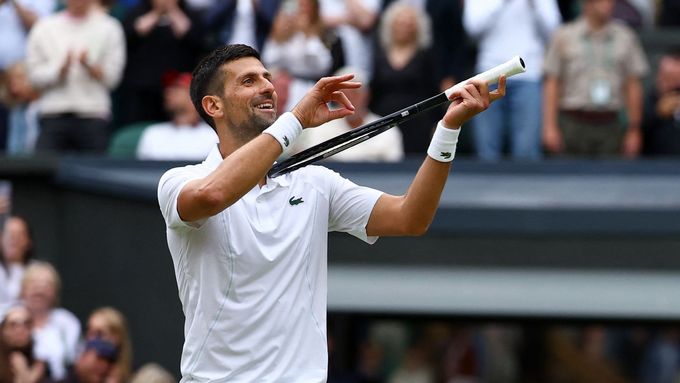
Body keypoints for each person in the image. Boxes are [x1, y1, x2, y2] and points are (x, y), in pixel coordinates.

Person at [157, 43, 505, 381]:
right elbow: (214, 194)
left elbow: (410, 218)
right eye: (248, 81)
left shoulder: (315, 184)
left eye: (266, 77)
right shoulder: (182, 181)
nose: (267, 87)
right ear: (213, 105)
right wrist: (296, 121)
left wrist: (448, 129)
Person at [542, 0, 648, 158]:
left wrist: (634, 129)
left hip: (610, 122)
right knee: (568, 178)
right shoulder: (564, 35)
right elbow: (552, 83)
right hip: (573, 121)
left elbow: (633, 85)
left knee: (611, 178)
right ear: (588, 3)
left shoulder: (625, 37)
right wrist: (549, 126)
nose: (609, 5)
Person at [464, 0, 562, 161]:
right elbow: (472, 29)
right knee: (486, 151)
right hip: (489, 73)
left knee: (526, 151)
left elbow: (554, 32)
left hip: (529, 74)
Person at [25, 0, 125, 154]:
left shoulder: (110, 27)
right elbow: (33, 77)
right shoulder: (44, 27)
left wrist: (89, 67)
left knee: (95, 174)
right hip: (53, 115)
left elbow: (113, 79)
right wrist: (60, 71)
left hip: (93, 115)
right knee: (42, 172)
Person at [369, 2, 440, 155]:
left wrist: (437, 124)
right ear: (391, 25)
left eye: (409, 24)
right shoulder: (379, 55)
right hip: (385, 119)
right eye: (400, 23)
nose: (404, 27)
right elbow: (374, 91)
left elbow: (433, 91)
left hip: (418, 121)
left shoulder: (425, 55)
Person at [118, 0, 204, 126]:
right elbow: (133, 32)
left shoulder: (190, 14)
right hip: (141, 88)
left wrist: (172, 11)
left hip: (176, 86)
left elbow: (193, 38)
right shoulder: (136, 12)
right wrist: (157, 13)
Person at [294, 67, 404, 162]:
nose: (349, 100)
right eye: (344, 95)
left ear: (367, 95)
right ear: (334, 98)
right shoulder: (321, 127)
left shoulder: (387, 129)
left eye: (355, 93)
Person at [262, 0, 334, 112]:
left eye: (305, 6)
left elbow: (323, 66)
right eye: (299, 6)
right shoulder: (284, 31)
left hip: (310, 88)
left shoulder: (321, 31)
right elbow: (268, 59)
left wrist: (308, 35)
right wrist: (280, 35)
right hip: (285, 89)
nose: (301, 10)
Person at [136, 71, 217, 160]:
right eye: (168, 88)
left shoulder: (213, 135)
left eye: (177, 88)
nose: (167, 93)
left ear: (194, 95)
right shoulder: (153, 133)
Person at [20, 262, 80, 381]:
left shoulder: (67, 323)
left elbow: (74, 362)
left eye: (47, 285)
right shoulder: (7, 316)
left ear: (56, 292)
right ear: (23, 289)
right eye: (34, 283)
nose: (40, 289)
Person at [0, 305, 51, 383]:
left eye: (26, 324)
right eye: (13, 325)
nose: (20, 330)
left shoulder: (40, 365)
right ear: (3, 330)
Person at [643, 51, 680, 156]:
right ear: (659, 78)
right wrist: (657, 113)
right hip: (656, 164)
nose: (675, 87)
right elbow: (637, 131)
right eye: (670, 80)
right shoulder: (650, 101)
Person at [0, 62, 41, 155]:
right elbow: (13, 148)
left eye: (17, 82)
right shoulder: (17, 112)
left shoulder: (50, 110)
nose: (14, 90)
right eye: (11, 84)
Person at [84, 308, 132, 383]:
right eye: (89, 331)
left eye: (99, 333)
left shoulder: (134, 377)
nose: (91, 339)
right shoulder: (76, 374)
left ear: (117, 338)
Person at [0, 216, 35, 309]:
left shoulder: (38, 271)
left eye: (19, 235)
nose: (12, 240)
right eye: (8, 235)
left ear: (29, 241)